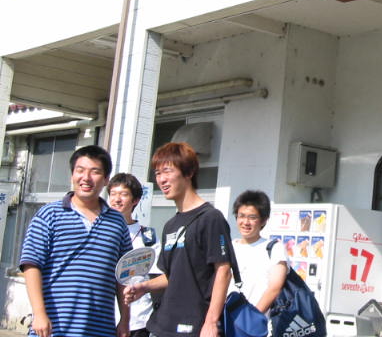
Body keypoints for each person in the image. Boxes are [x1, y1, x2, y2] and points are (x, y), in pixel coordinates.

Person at [20, 145, 132, 337]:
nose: (86, 178)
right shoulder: (49, 215)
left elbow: (124, 274)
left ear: (105, 180)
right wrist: (39, 314)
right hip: (53, 327)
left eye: (95, 172)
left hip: (100, 328)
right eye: (80, 171)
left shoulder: (117, 222)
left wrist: (125, 320)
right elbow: (31, 265)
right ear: (72, 175)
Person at [125, 142, 232, 337]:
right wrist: (144, 286)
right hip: (163, 324)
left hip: (194, 325)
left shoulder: (210, 218)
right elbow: (171, 275)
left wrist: (211, 322)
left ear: (189, 172)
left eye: (167, 171)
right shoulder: (170, 225)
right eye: (157, 173)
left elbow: (223, 271)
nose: (162, 180)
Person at [108, 173, 159, 337]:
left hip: (138, 319)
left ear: (135, 200)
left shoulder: (148, 237)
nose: (117, 199)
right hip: (103, 317)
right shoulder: (99, 232)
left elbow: (158, 276)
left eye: (123, 194)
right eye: (113, 194)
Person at [230, 190, 288, 314]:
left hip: (256, 325)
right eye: (241, 216)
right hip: (226, 321)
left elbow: (274, 287)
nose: (245, 222)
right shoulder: (229, 247)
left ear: (264, 220)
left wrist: (252, 318)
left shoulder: (274, 248)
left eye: (252, 217)